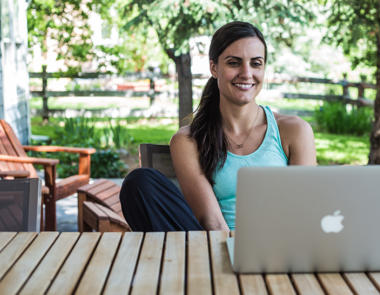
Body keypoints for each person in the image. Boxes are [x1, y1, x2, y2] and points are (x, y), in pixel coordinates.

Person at [120, 21, 316, 232]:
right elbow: (211, 221)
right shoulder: (188, 141)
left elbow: (304, 212)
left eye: (256, 63)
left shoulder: (294, 131)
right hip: (216, 248)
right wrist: (234, 255)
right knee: (139, 183)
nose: (246, 73)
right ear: (214, 68)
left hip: (283, 251)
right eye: (234, 63)